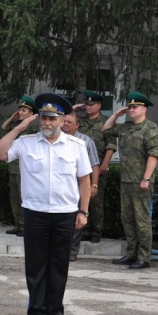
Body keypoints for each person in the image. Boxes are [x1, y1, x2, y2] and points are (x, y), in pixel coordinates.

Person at [0, 92, 91, 315]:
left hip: (65, 214)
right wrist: (19, 128)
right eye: (44, 118)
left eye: (52, 119)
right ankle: (37, 314)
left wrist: (83, 211)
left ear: (62, 120)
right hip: (35, 213)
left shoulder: (76, 146)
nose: (47, 123)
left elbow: (84, 181)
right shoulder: (26, 143)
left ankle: (54, 314)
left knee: (59, 266)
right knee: (36, 266)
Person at [103, 91, 158, 270]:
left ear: (144, 109)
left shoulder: (151, 129)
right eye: (130, 107)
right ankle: (130, 254)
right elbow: (105, 130)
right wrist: (115, 115)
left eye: (135, 107)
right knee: (127, 219)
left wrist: (146, 178)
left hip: (141, 181)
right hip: (126, 180)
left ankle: (144, 257)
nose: (131, 110)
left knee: (141, 219)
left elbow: (153, 155)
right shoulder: (126, 127)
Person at [73, 90, 117, 243]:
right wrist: (73, 109)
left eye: (92, 105)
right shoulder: (81, 121)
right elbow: (65, 121)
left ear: (99, 105)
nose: (88, 107)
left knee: (96, 200)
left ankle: (97, 231)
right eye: (87, 104)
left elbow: (111, 144)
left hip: (97, 165)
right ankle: (85, 229)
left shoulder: (105, 122)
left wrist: (105, 163)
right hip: (80, 166)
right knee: (81, 198)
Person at [62, 112, 100, 261]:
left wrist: (94, 185)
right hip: (62, 185)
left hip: (79, 185)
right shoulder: (55, 139)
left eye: (69, 122)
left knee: (76, 217)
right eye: (63, 121)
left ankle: (72, 251)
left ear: (77, 125)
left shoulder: (86, 141)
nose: (65, 124)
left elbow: (94, 164)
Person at [0, 95, 38, 237]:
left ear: (31, 114)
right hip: (13, 167)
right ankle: (18, 224)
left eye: (24, 110)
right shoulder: (16, 126)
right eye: (20, 110)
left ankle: (26, 225)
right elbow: (4, 127)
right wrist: (12, 117)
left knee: (24, 198)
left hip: (25, 168)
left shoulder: (33, 128)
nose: (21, 112)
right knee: (14, 198)